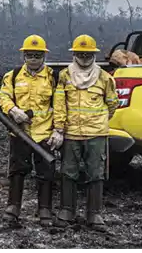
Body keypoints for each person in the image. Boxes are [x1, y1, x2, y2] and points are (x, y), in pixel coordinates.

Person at [51, 34, 119, 231]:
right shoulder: (65, 76)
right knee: (68, 172)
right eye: (80, 54)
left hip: (96, 135)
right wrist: (59, 129)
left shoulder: (105, 78)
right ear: (74, 54)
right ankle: (66, 211)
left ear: (93, 55)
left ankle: (94, 214)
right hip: (71, 134)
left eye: (88, 54)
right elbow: (59, 104)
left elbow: (112, 104)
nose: (84, 57)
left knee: (96, 174)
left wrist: (98, 122)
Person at [0, 34, 58, 226]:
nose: (33, 59)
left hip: (44, 134)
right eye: (29, 55)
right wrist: (13, 110)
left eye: (37, 55)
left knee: (46, 173)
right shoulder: (13, 76)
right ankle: (13, 207)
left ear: (44, 56)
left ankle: (45, 209)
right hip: (20, 133)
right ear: (23, 56)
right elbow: (3, 97)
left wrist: (58, 130)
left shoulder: (53, 77)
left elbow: (60, 106)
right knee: (17, 170)